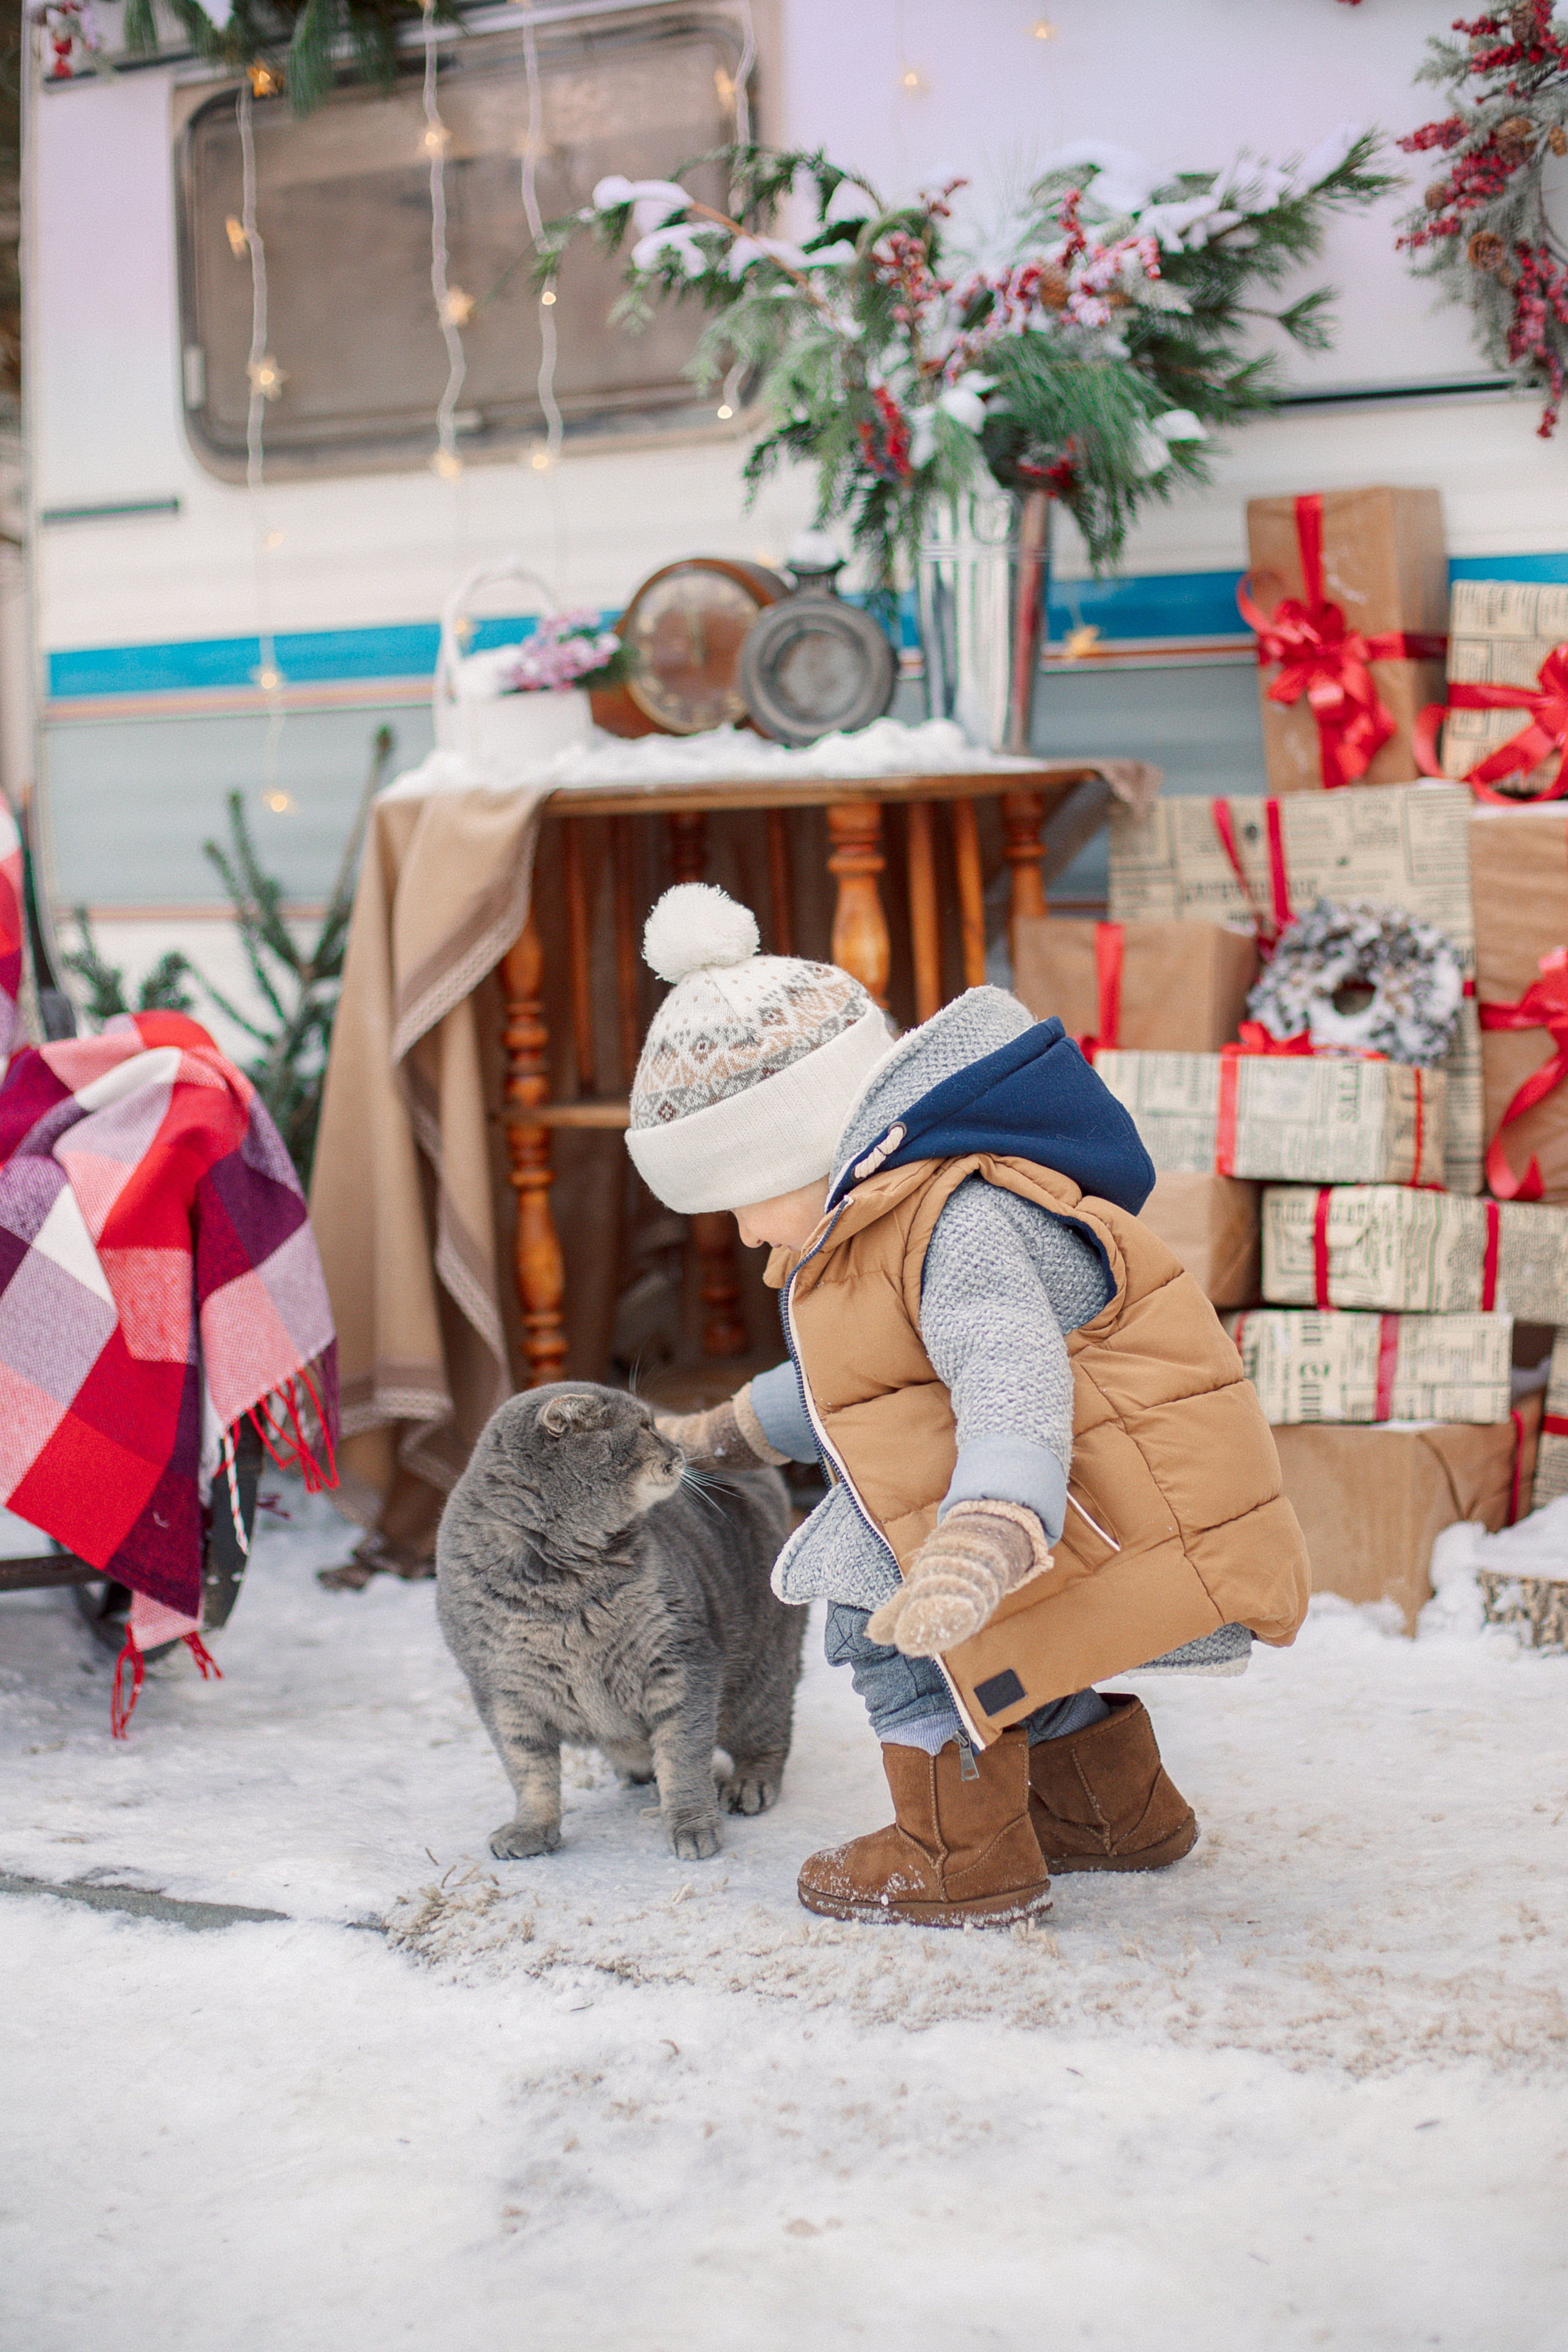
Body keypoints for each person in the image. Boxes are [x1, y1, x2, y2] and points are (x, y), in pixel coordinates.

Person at [627, 882, 1310, 1929]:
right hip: (1054, 1496)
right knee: (1021, 1641)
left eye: (739, 1201)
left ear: (800, 1149)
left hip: (1063, 1496)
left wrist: (990, 1525)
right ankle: (1111, 1812)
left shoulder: (959, 1221)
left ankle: (957, 1855)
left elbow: (1009, 1374)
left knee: (881, 1612)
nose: (745, 1234)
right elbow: (857, 1389)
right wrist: (717, 1433)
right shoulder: (879, 1223)